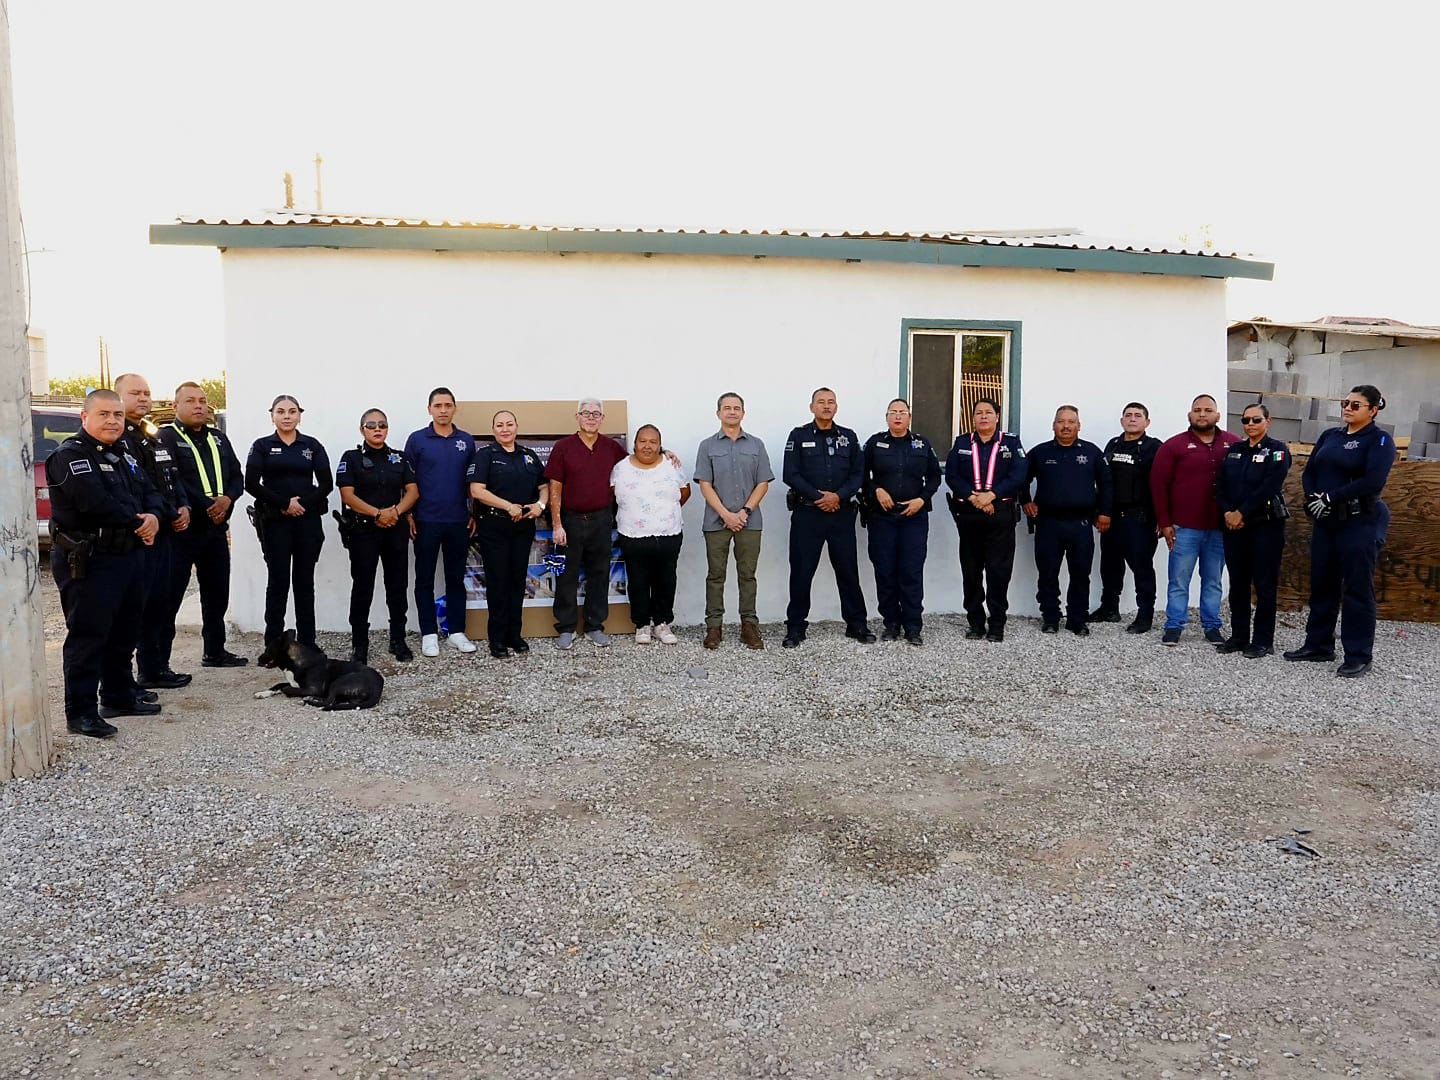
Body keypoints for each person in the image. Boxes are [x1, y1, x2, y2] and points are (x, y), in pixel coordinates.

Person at [46, 390, 164, 738]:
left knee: (125, 631)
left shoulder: (124, 454)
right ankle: (80, 712)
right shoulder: (71, 456)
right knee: (89, 635)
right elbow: (94, 502)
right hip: (91, 559)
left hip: (128, 555)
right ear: (85, 418)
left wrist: (155, 515)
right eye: (104, 414)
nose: (112, 421)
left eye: (117, 414)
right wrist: (141, 520)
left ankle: (118, 696)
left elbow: (151, 490)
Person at [1284, 384, 1396, 677]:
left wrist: (1331, 498)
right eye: (1345, 403)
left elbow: (1372, 481)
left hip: (1359, 522)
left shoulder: (1379, 440)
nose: (1348, 408)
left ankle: (1358, 655)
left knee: (1357, 589)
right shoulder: (1330, 436)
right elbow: (1311, 472)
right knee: (1322, 584)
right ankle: (1318, 645)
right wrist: (1313, 499)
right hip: (1326, 522)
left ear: (1373, 410)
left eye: (1355, 405)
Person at [158, 381, 248, 668]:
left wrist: (228, 499)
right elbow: (173, 480)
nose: (198, 406)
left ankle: (215, 651)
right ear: (175, 406)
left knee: (217, 594)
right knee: (170, 597)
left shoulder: (218, 438)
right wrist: (209, 505)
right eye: (190, 401)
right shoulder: (166, 437)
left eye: (202, 400)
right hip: (184, 531)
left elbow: (237, 476)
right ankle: (159, 664)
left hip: (216, 530)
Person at [114, 373, 190, 692]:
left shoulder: (151, 434)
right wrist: (162, 514)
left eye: (146, 393)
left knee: (162, 603)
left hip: (166, 531)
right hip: (142, 533)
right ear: (119, 397)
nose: (143, 398)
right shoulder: (119, 438)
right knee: (139, 608)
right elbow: (137, 489)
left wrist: (183, 506)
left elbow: (171, 476)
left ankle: (156, 668)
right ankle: (132, 678)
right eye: (135, 393)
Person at [782, 387, 872, 647]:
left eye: (831, 402)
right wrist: (819, 497)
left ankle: (857, 624)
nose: (826, 406)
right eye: (821, 402)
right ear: (812, 407)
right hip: (807, 514)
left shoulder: (848, 437)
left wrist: (838, 497)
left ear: (836, 407)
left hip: (840, 514)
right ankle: (796, 627)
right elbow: (790, 473)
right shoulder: (798, 436)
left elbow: (858, 474)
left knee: (848, 570)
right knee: (802, 572)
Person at [244, 394, 333, 654]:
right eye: (281, 411)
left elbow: (326, 483)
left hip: (307, 522)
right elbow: (251, 484)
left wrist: (301, 504)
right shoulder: (261, 446)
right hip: (275, 523)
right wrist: (284, 503)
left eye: (292, 411)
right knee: (278, 582)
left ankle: (307, 642)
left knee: (304, 582)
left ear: (299, 415)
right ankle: (273, 644)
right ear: (272, 415)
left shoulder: (312, 445)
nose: (286, 416)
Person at [1150, 394, 1240, 647]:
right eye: (1197, 410)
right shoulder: (1173, 446)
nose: (1202, 414)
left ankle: (1212, 626)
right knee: (1179, 580)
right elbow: (1158, 485)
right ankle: (1174, 626)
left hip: (1219, 528)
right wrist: (1165, 522)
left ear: (1217, 415)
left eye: (1208, 410)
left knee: (1213, 581)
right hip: (1184, 527)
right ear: (1189, 415)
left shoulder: (1233, 444)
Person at [337, 408, 419, 663]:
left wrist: (395, 512)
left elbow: (413, 491)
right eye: (371, 425)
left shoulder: (399, 458)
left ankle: (398, 640)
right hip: (364, 531)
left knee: (397, 585)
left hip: (395, 529)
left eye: (382, 425)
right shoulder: (351, 458)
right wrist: (377, 514)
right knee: (363, 586)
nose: (377, 429)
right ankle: (360, 644)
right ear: (362, 429)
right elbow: (347, 495)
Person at [693, 392, 773, 650]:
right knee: (715, 575)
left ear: (743, 413)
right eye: (726, 408)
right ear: (718, 413)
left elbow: (763, 482)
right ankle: (714, 627)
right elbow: (705, 484)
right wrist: (726, 515)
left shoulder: (756, 445)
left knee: (747, 575)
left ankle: (749, 625)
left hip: (750, 521)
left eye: (736, 408)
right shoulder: (707, 446)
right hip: (716, 522)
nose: (731, 412)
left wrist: (744, 512)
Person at [546, 398, 628, 649]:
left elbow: (635, 465)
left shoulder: (611, 448)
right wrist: (557, 524)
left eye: (596, 414)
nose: (591, 417)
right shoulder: (563, 447)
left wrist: (665, 453)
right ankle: (566, 628)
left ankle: (594, 626)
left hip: (601, 520)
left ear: (602, 419)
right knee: (567, 576)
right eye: (586, 413)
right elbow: (555, 487)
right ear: (577, 417)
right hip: (570, 520)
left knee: (599, 574)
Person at [944, 397, 1028, 642]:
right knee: (971, 572)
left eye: (988, 412)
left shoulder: (1010, 443)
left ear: (997, 416)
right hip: (969, 514)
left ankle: (997, 624)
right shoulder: (962, 442)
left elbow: (1019, 475)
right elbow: (952, 476)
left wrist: (991, 496)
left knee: (998, 572)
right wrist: (975, 498)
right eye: (978, 412)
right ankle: (976, 623)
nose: (983, 416)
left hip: (999, 514)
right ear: (972, 418)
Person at [1023, 406, 1112, 635]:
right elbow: (1020, 478)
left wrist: (1105, 512)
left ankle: (1077, 619)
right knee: (1048, 573)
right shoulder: (1040, 453)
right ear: (1053, 425)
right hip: (1048, 524)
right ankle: (1050, 617)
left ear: (1078, 426)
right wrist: (1025, 501)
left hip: (1081, 524)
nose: (1066, 426)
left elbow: (1107, 484)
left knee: (1081, 574)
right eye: (1061, 421)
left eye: (1071, 422)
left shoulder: (1092, 452)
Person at [404, 387, 478, 657]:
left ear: (454, 408)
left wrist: (473, 512)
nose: (443, 410)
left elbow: (473, 483)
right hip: (426, 520)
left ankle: (456, 631)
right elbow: (407, 480)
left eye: (448, 405)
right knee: (424, 578)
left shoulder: (466, 441)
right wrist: (408, 514)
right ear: (429, 409)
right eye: (438, 406)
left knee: (455, 578)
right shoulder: (417, 440)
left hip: (458, 520)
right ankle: (429, 633)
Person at [468, 410, 547, 659]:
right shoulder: (485, 456)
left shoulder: (528, 456)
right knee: (498, 582)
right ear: (493, 430)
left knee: (517, 581)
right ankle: (497, 638)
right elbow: (477, 491)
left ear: (516, 427)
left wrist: (540, 505)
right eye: (500, 425)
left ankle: (515, 634)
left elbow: (544, 486)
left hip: (523, 527)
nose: (505, 429)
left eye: (509, 424)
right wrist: (507, 506)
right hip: (495, 526)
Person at [1215, 404, 1292, 659]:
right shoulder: (1234, 450)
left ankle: (1262, 641)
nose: (1250, 424)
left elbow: (1270, 486)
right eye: (1246, 420)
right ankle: (1238, 637)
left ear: (1268, 421)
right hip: (1234, 526)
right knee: (1238, 583)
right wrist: (1228, 512)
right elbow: (1221, 486)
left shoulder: (1277, 450)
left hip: (1265, 526)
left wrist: (1242, 512)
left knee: (1264, 584)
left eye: (1256, 420)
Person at [862, 399, 941, 645]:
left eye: (902, 412)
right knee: (885, 571)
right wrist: (876, 490)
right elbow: (860, 475)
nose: (897, 416)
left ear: (909, 417)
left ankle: (913, 626)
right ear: (886, 417)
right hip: (882, 517)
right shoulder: (874, 443)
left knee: (911, 572)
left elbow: (935, 477)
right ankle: (891, 624)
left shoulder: (922, 444)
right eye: (893, 412)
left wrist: (922, 499)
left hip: (913, 517)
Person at [611, 424, 691, 645]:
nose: (647, 446)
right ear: (635, 444)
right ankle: (642, 624)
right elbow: (613, 495)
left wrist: (664, 514)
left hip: (668, 534)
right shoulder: (620, 468)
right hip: (633, 535)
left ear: (660, 445)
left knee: (666, 580)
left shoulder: (672, 465)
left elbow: (685, 492)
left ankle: (662, 623)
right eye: (642, 441)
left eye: (653, 442)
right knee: (638, 581)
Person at [1093, 402, 1163, 633]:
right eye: (1128, 415)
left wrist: (1162, 518)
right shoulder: (1113, 445)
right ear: (1122, 420)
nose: (1132, 419)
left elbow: (1162, 484)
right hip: (1111, 517)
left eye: (1138, 415)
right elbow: (1103, 481)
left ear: (1147, 422)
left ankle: (1145, 615)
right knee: (1110, 565)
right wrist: (1100, 511)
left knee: (1142, 568)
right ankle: (1109, 608)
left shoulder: (1155, 447)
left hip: (1140, 518)